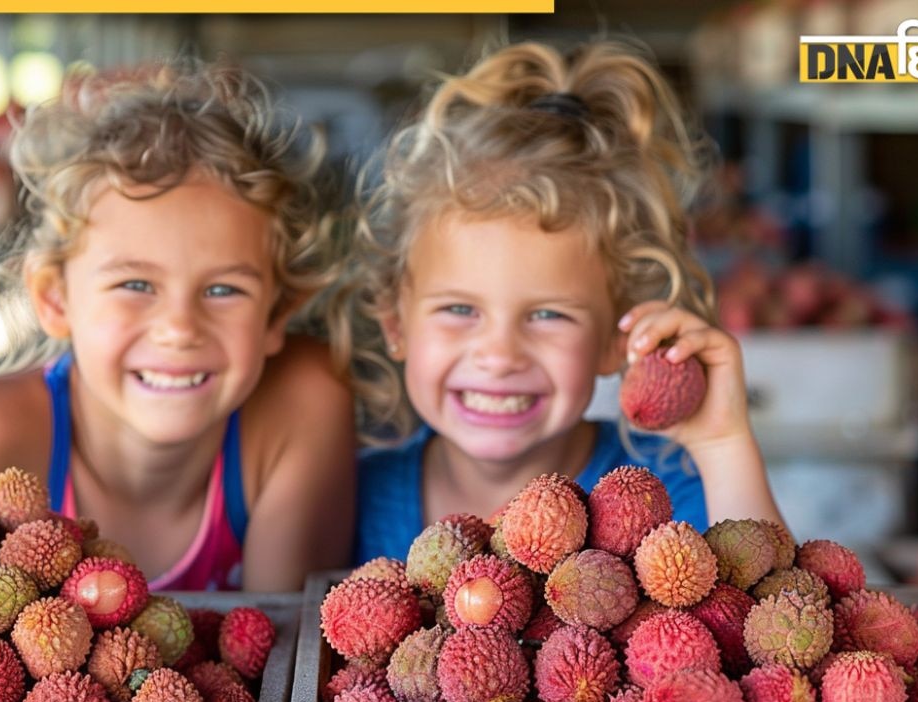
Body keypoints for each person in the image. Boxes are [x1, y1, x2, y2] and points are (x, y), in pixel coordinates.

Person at [329, 40, 785, 562]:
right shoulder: (350, 497)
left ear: (616, 339)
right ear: (395, 323)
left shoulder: (666, 490)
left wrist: (722, 444)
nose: (500, 355)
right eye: (460, 310)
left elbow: (773, 608)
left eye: (548, 315)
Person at [0, 59, 355, 592]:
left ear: (276, 312)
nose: (179, 328)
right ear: (55, 299)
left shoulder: (300, 403)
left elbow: (287, 651)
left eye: (223, 290)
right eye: (136, 286)